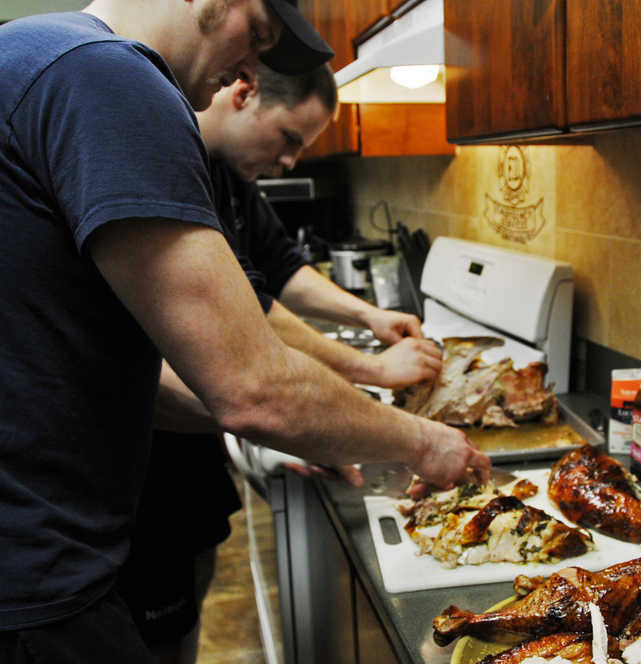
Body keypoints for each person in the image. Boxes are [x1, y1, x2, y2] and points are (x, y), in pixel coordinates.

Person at [0, 0, 490, 660]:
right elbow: (253, 386)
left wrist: (310, 421)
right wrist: (420, 441)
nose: (251, 69)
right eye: (257, 37)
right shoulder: (104, 74)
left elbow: (116, 380)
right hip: (14, 582)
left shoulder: (27, 52)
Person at [119, 63, 444, 664]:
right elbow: (252, 312)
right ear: (244, 94)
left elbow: (283, 266)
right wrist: (372, 373)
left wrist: (367, 316)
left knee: (186, 604)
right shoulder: (165, 160)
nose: (293, 160)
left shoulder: (229, 173)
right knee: (157, 634)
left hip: (189, 462)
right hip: (138, 471)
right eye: (291, 139)